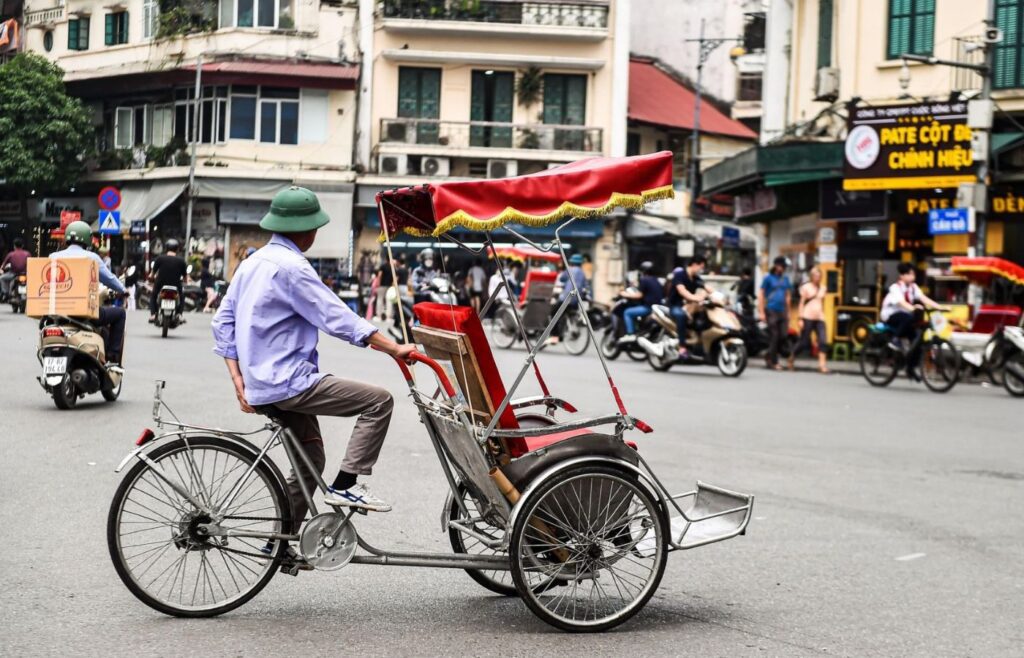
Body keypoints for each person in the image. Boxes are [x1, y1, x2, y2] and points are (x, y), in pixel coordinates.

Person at [212, 186, 417, 522]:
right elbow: (335, 316)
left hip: (261, 385)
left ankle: (279, 542)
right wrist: (394, 348)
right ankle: (347, 484)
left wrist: (238, 378)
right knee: (379, 401)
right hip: (289, 383)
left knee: (311, 463)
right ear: (306, 230)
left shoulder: (251, 263)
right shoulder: (293, 267)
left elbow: (222, 322)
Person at [48, 221, 127, 368]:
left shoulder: (53, 256)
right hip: (84, 312)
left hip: (56, 311)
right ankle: (112, 357)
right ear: (87, 238)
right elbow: (109, 279)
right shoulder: (92, 258)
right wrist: (123, 290)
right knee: (120, 313)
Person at [880, 262, 948, 380]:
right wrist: (912, 308)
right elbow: (902, 303)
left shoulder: (913, 287)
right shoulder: (895, 288)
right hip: (891, 316)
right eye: (909, 274)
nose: (912, 277)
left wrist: (940, 307)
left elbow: (924, 298)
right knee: (909, 317)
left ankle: (910, 369)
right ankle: (895, 340)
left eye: (913, 274)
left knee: (918, 342)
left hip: (905, 317)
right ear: (902, 276)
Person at [666, 255, 714, 359]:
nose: (701, 270)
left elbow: (707, 288)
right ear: (694, 264)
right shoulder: (680, 275)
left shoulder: (696, 278)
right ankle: (682, 347)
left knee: (704, 316)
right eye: (701, 267)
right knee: (681, 316)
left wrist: (716, 296)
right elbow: (682, 291)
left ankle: (699, 346)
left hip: (689, 306)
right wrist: (695, 298)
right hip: (675, 305)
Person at [788, 266, 829, 374]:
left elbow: (822, 302)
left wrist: (823, 313)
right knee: (804, 341)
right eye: (815, 276)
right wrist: (800, 318)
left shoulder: (823, 288)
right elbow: (802, 303)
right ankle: (792, 357)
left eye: (819, 276)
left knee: (823, 340)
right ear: (811, 276)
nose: (817, 278)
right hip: (807, 317)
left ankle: (822, 365)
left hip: (819, 317)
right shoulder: (806, 287)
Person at [759, 256, 792, 371]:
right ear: (776, 266)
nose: (783, 268)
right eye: (782, 266)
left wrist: (788, 312)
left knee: (783, 335)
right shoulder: (768, 278)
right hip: (771, 309)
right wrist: (761, 312)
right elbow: (761, 294)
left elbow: (787, 296)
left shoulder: (785, 279)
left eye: (784, 267)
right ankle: (774, 362)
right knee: (775, 335)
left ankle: (769, 355)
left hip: (782, 310)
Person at [617, 261, 663, 344]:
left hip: (648, 308)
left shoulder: (644, 280)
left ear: (644, 271)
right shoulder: (656, 280)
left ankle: (630, 334)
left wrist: (624, 294)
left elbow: (639, 295)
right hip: (656, 308)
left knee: (627, 312)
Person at [148, 239, 188, 323]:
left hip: (160, 284)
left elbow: (152, 274)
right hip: (176, 285)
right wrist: (185, 281)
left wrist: (150, 278)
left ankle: (153, 315)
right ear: (177, 249)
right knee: (182, 297)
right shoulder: (181, 261)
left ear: (166, 248)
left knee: (153, 296)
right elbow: (185, 278)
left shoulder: (160, 258)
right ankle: (179, 315)